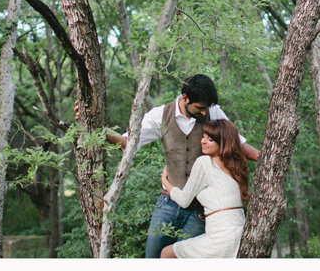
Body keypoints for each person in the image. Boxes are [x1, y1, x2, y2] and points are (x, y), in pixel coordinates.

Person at [101, 74, 259, 258]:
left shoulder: (212, 112)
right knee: (152, 257)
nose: (203, 113)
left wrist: (265, 157)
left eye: (205, 109)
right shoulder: (160, 115)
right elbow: (126, 142)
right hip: (167, 202)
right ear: (185, 98)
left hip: (199, 209)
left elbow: (236, 143)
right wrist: (98, 128)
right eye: (199, 108)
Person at [159, 118, 249, 258]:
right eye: (203, 137)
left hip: (221, 239)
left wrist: (165, 181)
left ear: (223, 142)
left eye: (210, 139)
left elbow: (184, 200)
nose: (203, 141)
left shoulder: (204, 163)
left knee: (166, 253)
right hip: (241, 236)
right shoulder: (235, 168)